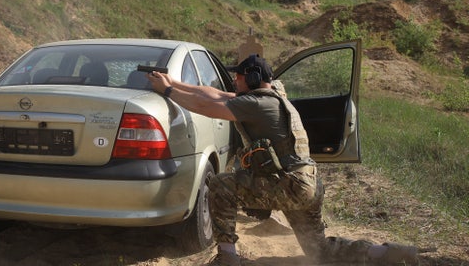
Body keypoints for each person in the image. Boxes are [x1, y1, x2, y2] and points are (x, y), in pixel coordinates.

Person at [146, 54, 423, 265]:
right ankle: (388, 252)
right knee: (321, 250)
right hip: (308, 186)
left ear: (253, 78)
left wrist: (168, 93)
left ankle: (228, 257)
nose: (235, 81)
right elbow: (215, 94)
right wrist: (174, 83)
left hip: (288, 185)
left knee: (220, 185)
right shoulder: (271, 99)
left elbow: (208, 106)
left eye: (239, 76)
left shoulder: (256, 104)